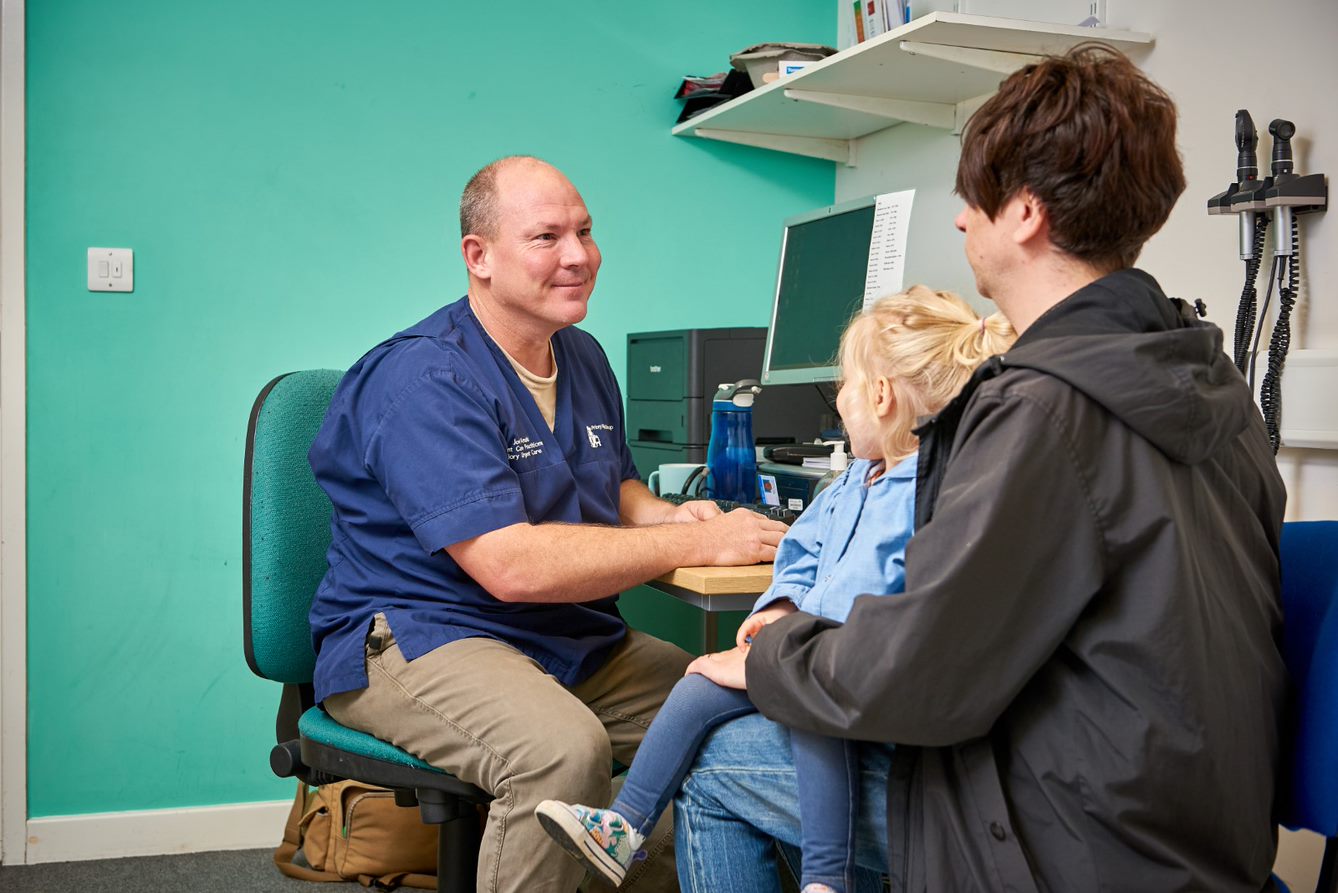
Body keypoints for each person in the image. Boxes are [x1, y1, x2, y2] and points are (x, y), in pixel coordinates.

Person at [674, 44, 1289, 893]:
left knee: (712, 758)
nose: (962, 221)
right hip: (1187, 831)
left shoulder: (1043, 410)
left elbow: (921, 676)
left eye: (974, 200)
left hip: (1068, 846)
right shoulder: (1212, 382)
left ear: (1026, 213)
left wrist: (778, 653)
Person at [307, 155, 789, 893]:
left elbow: (612, 483)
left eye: (586, 232)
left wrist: (667, 514)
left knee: (740, 705)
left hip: (557, 634)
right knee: (560, 751)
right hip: (422, 633)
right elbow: (510, 563)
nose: (578, 256)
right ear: (480, 257)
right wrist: (699, 540)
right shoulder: (424, 378)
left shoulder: (582, 356)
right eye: (546, 237)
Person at [534, 287, 1015, 893]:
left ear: (882, 396)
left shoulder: (928, 493)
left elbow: (864, 618)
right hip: (809, 658)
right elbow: (801, 549)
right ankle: (623, 828)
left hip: (851, 690)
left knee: (803, 715)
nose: (836, 400)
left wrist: (780, 653)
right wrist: (781, 605)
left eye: (842, 384)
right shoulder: (853, 482)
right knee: (698, 683)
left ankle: (826, 878)